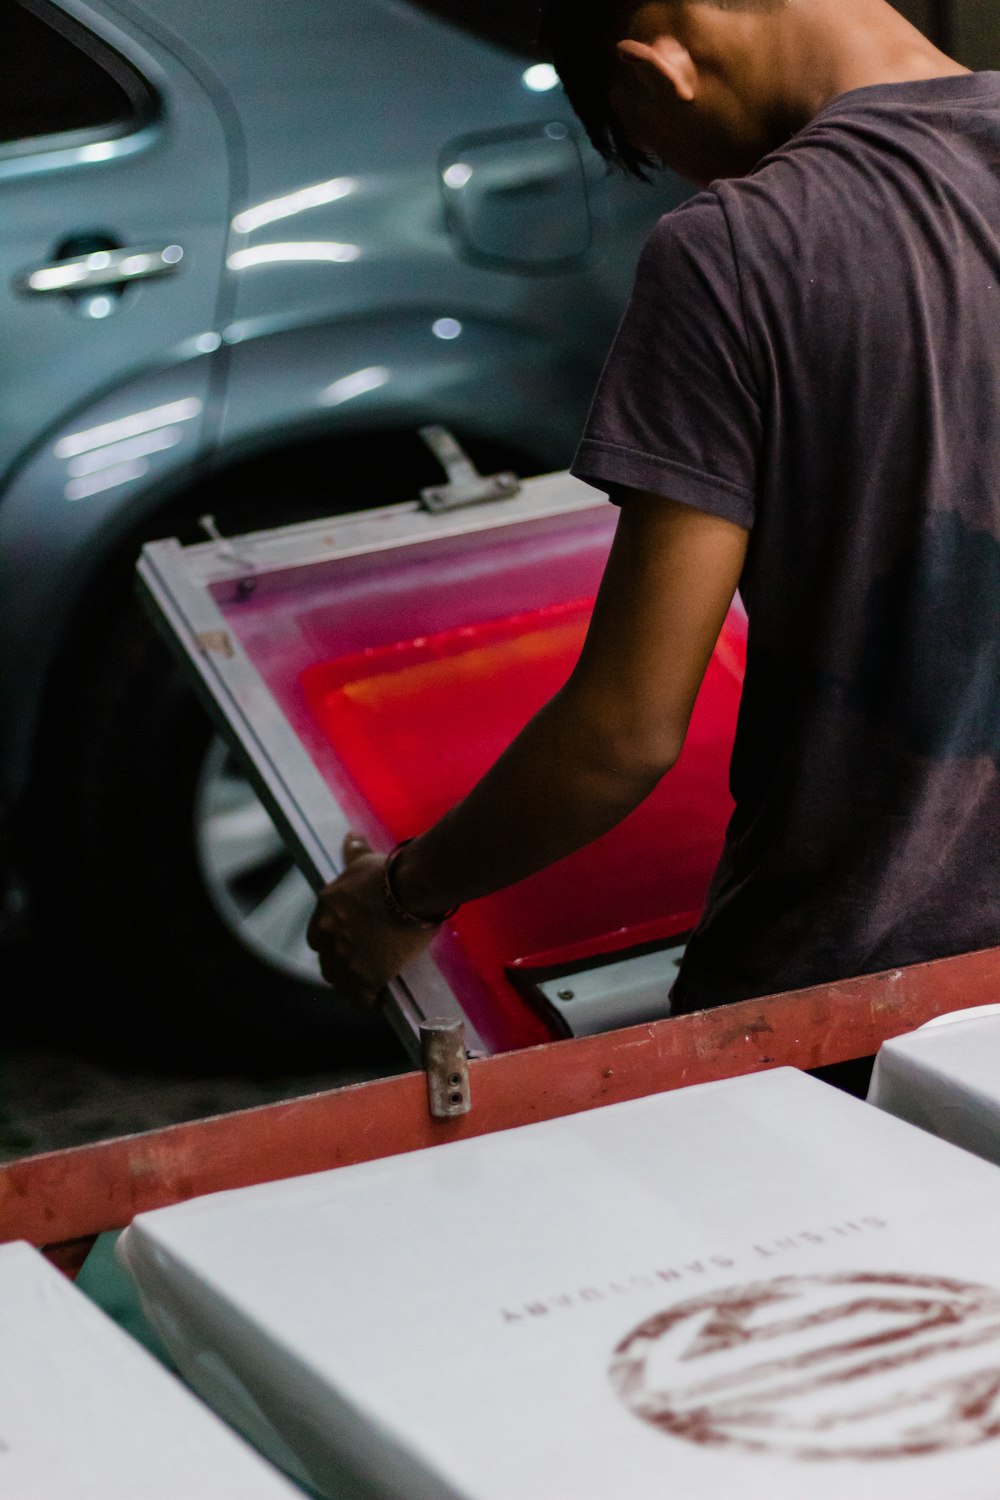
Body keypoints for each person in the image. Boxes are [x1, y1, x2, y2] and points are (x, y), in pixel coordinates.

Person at [308, 0, 1000, 1015]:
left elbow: (621, 735)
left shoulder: (738, 246)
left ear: (659, 66)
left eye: (656, 150)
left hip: (853, 1000)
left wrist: (407, 892)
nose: (698, 180)